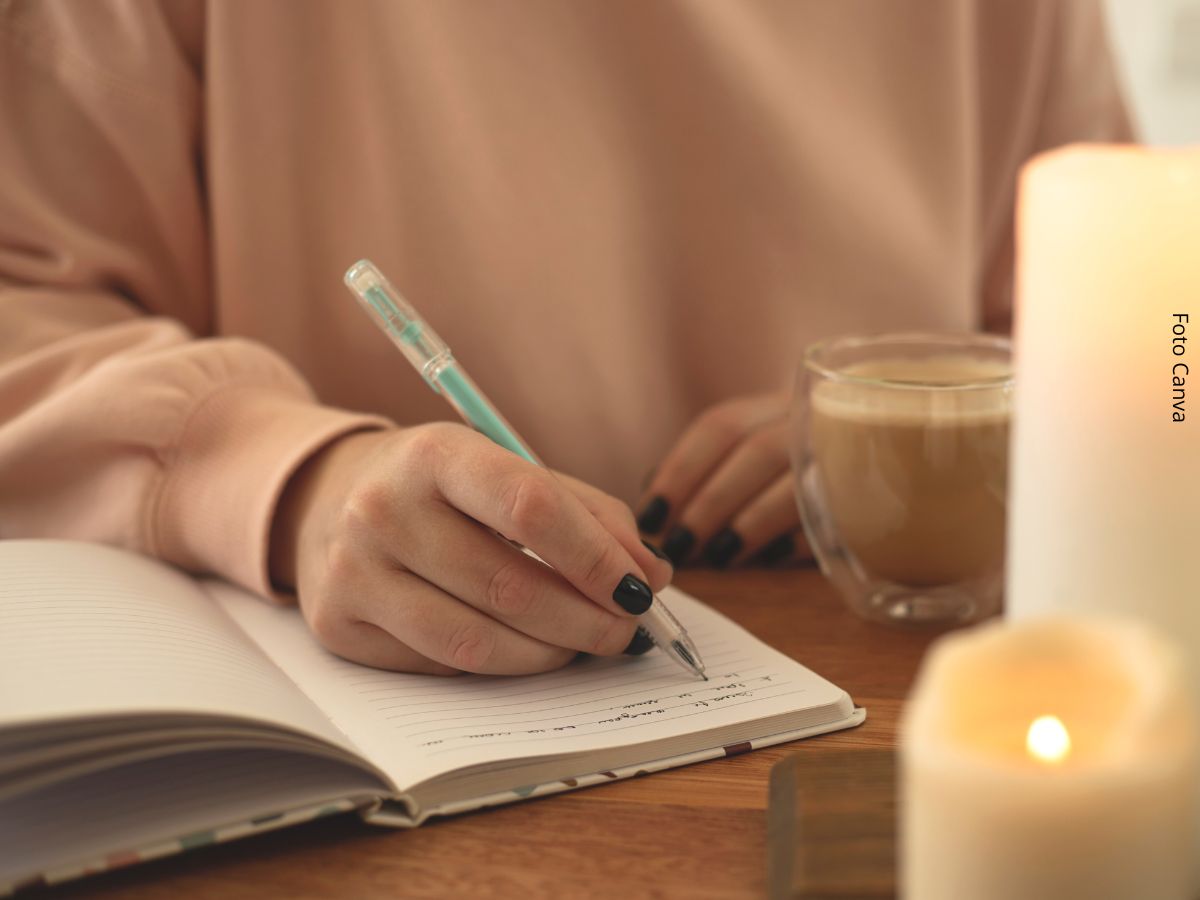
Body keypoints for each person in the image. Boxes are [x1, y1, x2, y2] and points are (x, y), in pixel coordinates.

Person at [0, 1, 1130, 675]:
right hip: (357, 712)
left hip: (908, 670)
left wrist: (924, 442)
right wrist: (293, 479)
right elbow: (30, 309)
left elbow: (1150, 328)